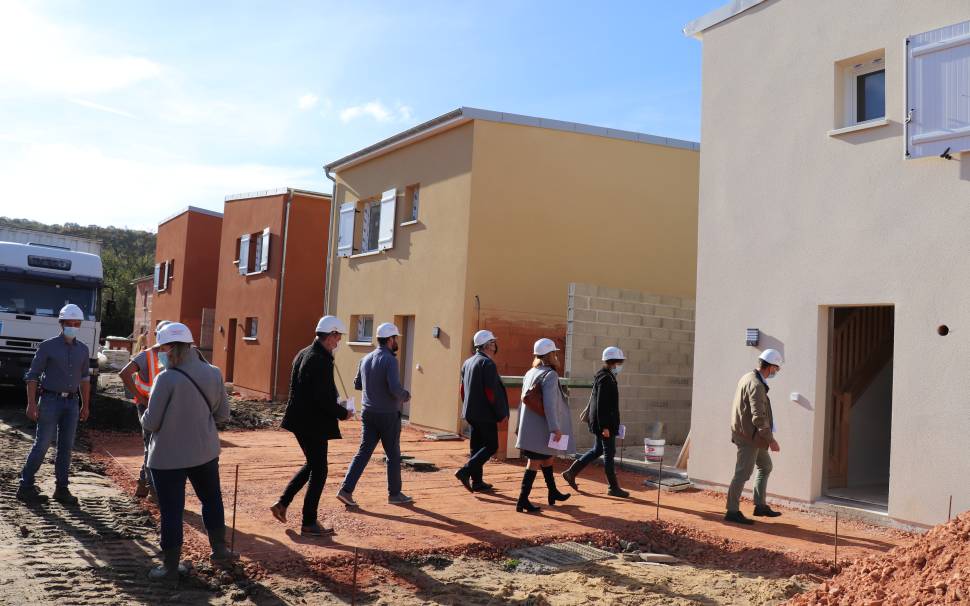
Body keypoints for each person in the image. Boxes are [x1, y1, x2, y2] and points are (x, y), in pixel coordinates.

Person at [140, 322, 235, 580]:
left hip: (167, 458)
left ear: (172, 348)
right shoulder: (213, 373)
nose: (160, 353)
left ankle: (170, 567)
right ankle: (219, 551)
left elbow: (151, 422)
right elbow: (223, 415)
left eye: (162, 349)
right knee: (212, 499)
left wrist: (145, 415)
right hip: (205, 452)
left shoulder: (165, 378)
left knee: (172, 511)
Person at [271, 316, 351, 536]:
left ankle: (282, 503)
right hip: (312, 423)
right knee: (320, 470)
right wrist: (343, 413)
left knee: (313, 464)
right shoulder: (319, 359)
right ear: (331, 335)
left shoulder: (304, 353)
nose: (339, 341)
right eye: (338, 336)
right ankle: (309, 522)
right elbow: (322, 398)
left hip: (301, 421)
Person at [17, 304, 91, 505]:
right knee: (42, 444)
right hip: (50, 401)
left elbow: (85, 379)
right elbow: (32, 376)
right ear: (61, 323)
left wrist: (85, 405)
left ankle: (62, 489)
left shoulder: (83, 350)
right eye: (69, 323)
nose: (73, 327)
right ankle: (25, 486)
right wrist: (31, 403)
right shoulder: (47, 347)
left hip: (72, 403)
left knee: (66, 448)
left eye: (77, 323)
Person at [337, 322, 413, 507]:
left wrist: (373, 385)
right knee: (393, 454)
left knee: (363, 452)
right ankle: (394, 494)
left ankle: (346, 490)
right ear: (390, 339)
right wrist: (405, 395)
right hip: (388, 415)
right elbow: (394, 388)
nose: (396, 342)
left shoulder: (365, 358)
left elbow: (357, 384)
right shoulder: (390, 360)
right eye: (395, 338)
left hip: (368, 413)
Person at [514, 338, 574, 513]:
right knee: (534, 462)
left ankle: (552, 492)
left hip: (531, 427)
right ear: (550, 354)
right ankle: (522, 500)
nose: (556, 356)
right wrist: (555, 428)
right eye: (555, 353)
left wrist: (518, 426)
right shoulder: (550, 375)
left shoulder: (530, 372)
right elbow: (549, 404)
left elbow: (522, 401)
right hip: (542, 427)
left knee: (548, 457)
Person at [725, 349, 784, 525]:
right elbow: (758, 417)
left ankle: (760, 506)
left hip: (753, 435)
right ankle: (732, 511)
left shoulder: (748, 377)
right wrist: (771, 440)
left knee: (765, 466)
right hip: (749, 437)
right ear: (770, 366)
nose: (776, 372)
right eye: (776, 368)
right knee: (742, 473)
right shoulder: (756, 385)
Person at [562, 346, 630, 498]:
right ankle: (613, 487)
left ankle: (571, 472)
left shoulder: (605, 376)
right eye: (619, 362)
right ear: (613, 362)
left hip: (602, 423)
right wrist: (605, 427)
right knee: (609, 454)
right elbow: (602, 405)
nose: (620, 365)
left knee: (597, 450)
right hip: (605, 424)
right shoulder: (606, 379)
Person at [120, 320, 171, 498]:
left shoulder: (175, 355)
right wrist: (140, 398)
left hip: (166, 407)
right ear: (157, 335)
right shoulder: (146, 356)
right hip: (147, 405)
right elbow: (124, 373)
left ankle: (143, 484)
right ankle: (153, 489)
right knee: (152, 445)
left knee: (155, 446)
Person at [455, 330, 509, 493]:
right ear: (487, 345)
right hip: (485, 414)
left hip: (471, 412)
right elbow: (491, 393)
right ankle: (465, 471)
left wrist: (468, 406)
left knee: (476, 446)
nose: (495, 345)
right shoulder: (487, 363)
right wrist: (500, 413)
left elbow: (462, 389)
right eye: (492, 342)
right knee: (492, 446)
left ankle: (477, 482)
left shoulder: (468, 362)